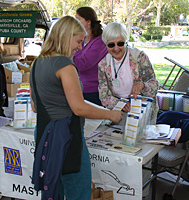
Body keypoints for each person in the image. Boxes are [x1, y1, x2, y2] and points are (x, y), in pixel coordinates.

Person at [30, 16, 122, 200]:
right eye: (79, 41)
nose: (80, 47)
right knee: (78, 191)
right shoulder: (65, 65)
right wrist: (110, 114)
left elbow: (35, 106)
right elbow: (78, 108)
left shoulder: (37, 63)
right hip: (66, 136)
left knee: (54, 187)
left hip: (44, 133)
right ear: (65, 37)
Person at [98, 22, 159, 124]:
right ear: (106, 44)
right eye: (111, 45)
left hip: (143, 113)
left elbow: (155, 86)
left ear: (126, 41)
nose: (116, 48)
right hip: (119, 113)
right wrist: (120, 104)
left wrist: (143, 85)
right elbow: (104, 95)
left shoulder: (139, 57)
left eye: (120, 43)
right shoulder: (103, 65)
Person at [73, 7, 108, 106]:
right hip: (79, 88)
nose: (76, 22)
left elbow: (83, 65)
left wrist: (67, 54)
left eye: (78, 19)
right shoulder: (83, 38)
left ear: (88, 21)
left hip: (93, 91)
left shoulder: (100, 41)